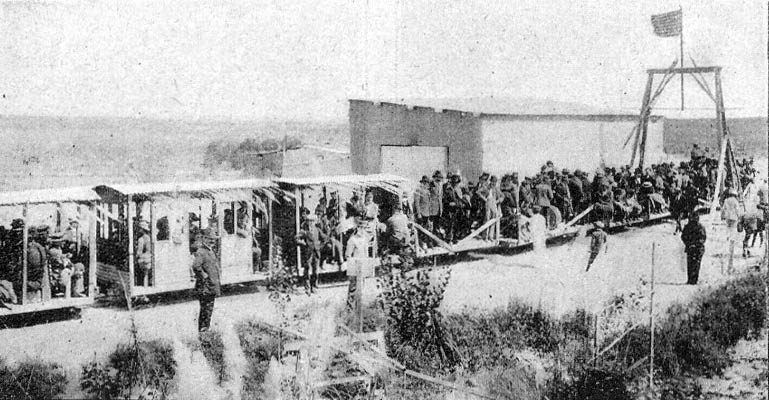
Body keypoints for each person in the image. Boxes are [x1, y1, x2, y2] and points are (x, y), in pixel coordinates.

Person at [192, 228, 221, 332]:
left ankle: (205, 330)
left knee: (208, 310)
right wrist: (204, 275)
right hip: (205, 287)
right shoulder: (201, 252)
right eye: (210, 239)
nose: (212, 241)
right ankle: (203, 331)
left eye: (213, 239)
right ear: (204, 239)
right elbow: (196, 266)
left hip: (210, 286)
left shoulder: (209, 251)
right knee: (205, 311)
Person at [297, 213, 324, 293]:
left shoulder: (317, 230)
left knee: (315, 270)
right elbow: (296, 238)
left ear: (315, 222)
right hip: (308, 252)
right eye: (309, 221)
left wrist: (320, 246)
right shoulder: (304, 231)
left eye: (313, 221)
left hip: (316, 252)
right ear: (307, 222)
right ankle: (307, 287)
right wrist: (303, 244)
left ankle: (314, 286)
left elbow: (324, 238)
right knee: (307, 269)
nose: (311, 223)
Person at [681, 212, 706, 285]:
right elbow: (703, 238)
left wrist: (690, 244)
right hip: (696, 247)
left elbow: (683, 237)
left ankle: (692, 280)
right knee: (694, 264)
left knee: (692, 264)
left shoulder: (689, 226)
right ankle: (692, 280)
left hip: (694, 248)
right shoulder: (700, 227)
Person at [135, 220, 152, 286]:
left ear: (142, 229)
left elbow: (139, 252)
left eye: (139, 228)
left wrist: (136, 256)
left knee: (137, 265)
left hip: (146, 259)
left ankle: (142, 286)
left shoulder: (141, 239)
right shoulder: (149, 237)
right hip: (151, 258)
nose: (139, 230)